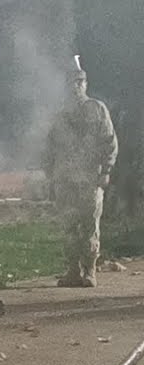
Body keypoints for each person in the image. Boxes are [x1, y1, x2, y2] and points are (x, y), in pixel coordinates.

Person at [44, 57, 117, 288]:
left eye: (79, 83)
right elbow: (50, 147)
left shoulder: (97, 109)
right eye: (71, 83)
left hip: (89, 178)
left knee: (88, 226)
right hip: (65, 178)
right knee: (68, 227)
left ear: (85, 84)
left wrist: (105, 170)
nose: (75, 87)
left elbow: (109, 142)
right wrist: (49, 174)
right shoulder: (60, 116)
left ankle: (90, 271)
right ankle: (72, 270)